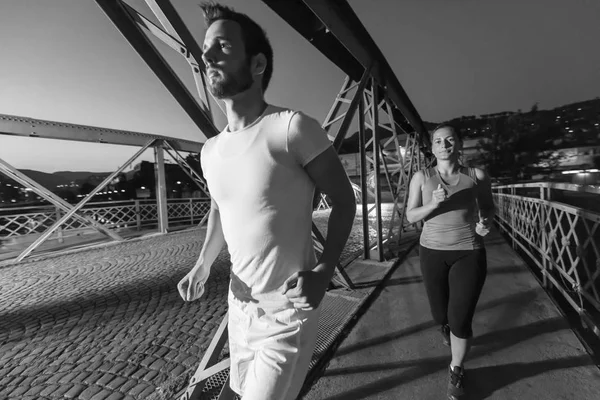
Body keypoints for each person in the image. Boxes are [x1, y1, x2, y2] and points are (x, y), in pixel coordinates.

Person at [177, 3, 357, 400]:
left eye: (221, 47)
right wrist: (203, 264)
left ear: (257, 65)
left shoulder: (292, 128)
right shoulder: (210, 151)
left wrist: (324, 271)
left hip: (287, 312)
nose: (206, 56)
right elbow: (220, 210)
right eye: (206, 48)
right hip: (239, 307)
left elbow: (345, 201)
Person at [406, 123, 495, 400]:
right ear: (432, 148)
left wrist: (485, 223)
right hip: (431, 253)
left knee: (460, 318)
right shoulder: (422, 177)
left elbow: (488, 207)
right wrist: (432, 204)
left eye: (449, 140)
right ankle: (445, 326)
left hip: (469, 251)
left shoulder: (476, 175)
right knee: (440, 315)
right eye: (438, 141)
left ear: (459, 144)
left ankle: (456, 368)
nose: (444, 145)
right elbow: (410, 216)